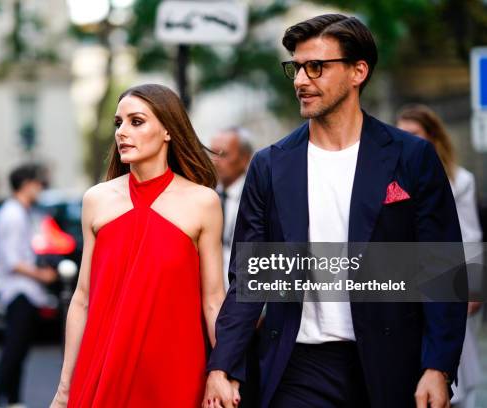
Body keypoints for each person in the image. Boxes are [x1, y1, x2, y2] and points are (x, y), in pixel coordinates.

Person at [204, 14, 467, 408]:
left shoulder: (411, 157)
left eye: (316, 68)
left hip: (392, 363)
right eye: (296, 67)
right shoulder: (271, 165)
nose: (300, 80)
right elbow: (249, 280)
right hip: (298, 366)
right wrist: (222, 367)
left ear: (358, 71)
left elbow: (443, 268)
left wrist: (439, 367)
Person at [50, 83, 226, 408]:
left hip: (175, 374)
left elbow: (214, 300)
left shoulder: (203, 203)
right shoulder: (96, 200)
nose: (122, 132)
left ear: (168, 131)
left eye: (136, 121)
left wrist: (223, 373)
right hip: (101, 367)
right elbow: (83, 300)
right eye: (118, 123)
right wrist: (64, 391)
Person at [397, 105, 483, 408]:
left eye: (414, 134)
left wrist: (472, 287)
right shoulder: (397, 177)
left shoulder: (460, 180)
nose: (406, 140)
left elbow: (471, 234)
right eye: (402, 134)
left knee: (456, 348)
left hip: (451, 277)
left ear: (432, 137)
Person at [0, 164, 58, 408]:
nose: (40, 188)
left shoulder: (21, 211)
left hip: (24, 291)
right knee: (13, 352)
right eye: (38, 183)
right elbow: (12, 261)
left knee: (18, 352)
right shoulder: (13, 214)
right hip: (19, 291)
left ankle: (13, 400)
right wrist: (42, 275)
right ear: (26, 184)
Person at [210, 128, 253, 290]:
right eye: (212, 153)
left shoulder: (258, 196)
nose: (215, 161)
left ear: (245, 159)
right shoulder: (204, 194)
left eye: (223, 154)